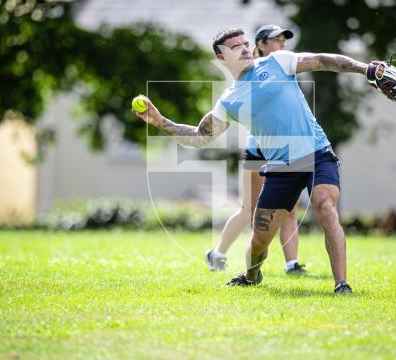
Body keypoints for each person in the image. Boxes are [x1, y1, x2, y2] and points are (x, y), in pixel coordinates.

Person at [134, 27, 370, 294]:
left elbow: (326, 61)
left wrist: (366, 70)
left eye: (245, 44)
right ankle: (250, 276)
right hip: (281, 168)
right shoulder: (229, 101)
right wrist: (160, 121)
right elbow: (200, 136)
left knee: (325, 206)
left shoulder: (278, 61)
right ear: (222, 58)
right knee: (259, 240)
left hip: (317, 153)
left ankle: (341, 284)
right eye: (236, 47)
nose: (245, 48)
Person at [204, 25, 305, 275]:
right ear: (260, 44)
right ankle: (217, 253)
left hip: (286, 151)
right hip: (258, 151)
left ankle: (292, 265)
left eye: (284, 39)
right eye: (275, 40)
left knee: (290, 210)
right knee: (249, 210)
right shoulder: (249, 71)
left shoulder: (279, 65)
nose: (282, 44)